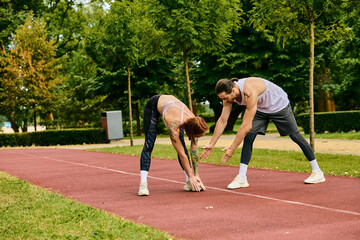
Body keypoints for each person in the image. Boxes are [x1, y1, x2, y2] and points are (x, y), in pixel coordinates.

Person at [201, 77, 325, 189]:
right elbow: (223, 120)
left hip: (278, 105)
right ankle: (242, 178)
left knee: (295, 136)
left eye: (225, 98)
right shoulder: (229, 96)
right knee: (249, 137)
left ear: (233, 90)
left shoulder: (249, 91)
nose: (224, 101)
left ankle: (317, 172)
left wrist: (233, 147)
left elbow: (246, 125)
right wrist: (212, 144)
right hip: (261, 108)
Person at [138, 94, 208, 196]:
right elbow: (181, 154)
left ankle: (189, 182)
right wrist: (191, 175)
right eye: (198, 136)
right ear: (191, 132)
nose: (198, 138)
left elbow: (194, 151)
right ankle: (143, 184)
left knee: (183, 146)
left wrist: (196, 175)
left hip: (173, 106)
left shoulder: (195, 122)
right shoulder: (174, 126)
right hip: (154, 105)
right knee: (149, 144)